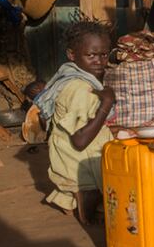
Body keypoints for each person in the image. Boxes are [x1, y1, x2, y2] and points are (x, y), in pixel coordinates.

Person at [33, 20, 116, 224]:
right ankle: (85, 198)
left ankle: (69, 198)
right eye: (91, 55)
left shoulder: (70, 73)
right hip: (77, 159)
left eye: (104, 55)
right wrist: (107, 103)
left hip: (65, 154)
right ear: (72, 55)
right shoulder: (80, 88)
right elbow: (80, 141)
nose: (99, 61)